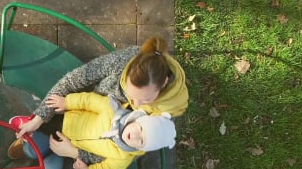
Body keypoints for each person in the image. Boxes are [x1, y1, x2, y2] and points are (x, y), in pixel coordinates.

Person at [7, 93, 176, 169]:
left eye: (141, 141)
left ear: (142, 148)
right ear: (137, 119)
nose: (135, 136)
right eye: (140, 129)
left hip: (75, 155)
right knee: (38, 137)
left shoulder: (124, 156)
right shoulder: (111, 109)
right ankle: (27, 146)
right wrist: (67, 102)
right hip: (68, 125)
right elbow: (88, 101)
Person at [12, 35, 188, 139]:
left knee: (64, 161)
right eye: (130, 94)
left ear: (164, 83)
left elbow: (125, 147)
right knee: (48, 124)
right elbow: (74, 80)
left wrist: (75, 152)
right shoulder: (122, 62)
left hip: (100, 135)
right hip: (82, 106)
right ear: (126, 74)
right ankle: (41, 127)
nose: (137, 104)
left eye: (146, 99)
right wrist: (40, 117)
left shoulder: (168, 112)